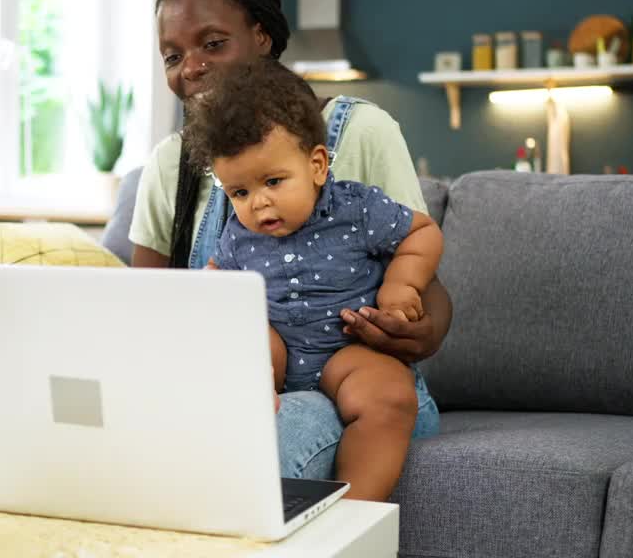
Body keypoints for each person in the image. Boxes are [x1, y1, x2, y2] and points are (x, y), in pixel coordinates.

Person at [129, 0, 453, 480]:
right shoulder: (170, 163)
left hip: (356, 375)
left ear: (261, 38)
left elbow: (426, 282)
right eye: (172, 55)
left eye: (212, 43)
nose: (190, 67)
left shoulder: (360, 130)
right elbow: (146, 313)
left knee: (256, 444)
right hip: (246, 377)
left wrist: (416, 327)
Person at [184, 60, 443, 500]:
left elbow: (422, 233)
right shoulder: (237, 234)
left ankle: (356, 513)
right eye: (240, 192)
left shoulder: (357, 210)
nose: (258, 204)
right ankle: (251, 397)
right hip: (281, 357)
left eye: (273, 181)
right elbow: (222, 284)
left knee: (387, 398)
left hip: (348, 350)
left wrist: (401, 285)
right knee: (248, 331)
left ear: (317, 165)